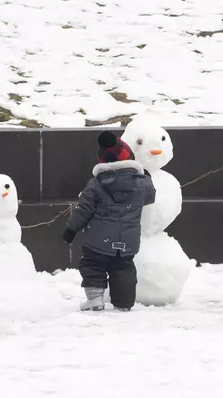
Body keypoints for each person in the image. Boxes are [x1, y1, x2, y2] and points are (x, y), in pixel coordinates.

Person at [63, 131, 156, 311]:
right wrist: (147, 177)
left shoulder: (96, 184)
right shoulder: (142, 184)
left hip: (98, 240)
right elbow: (150, 197)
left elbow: (84, 209)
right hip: (127, 242)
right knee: (124, 268)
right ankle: (124, 303)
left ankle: (95, 298)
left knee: (93, 264)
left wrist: (71, 230)